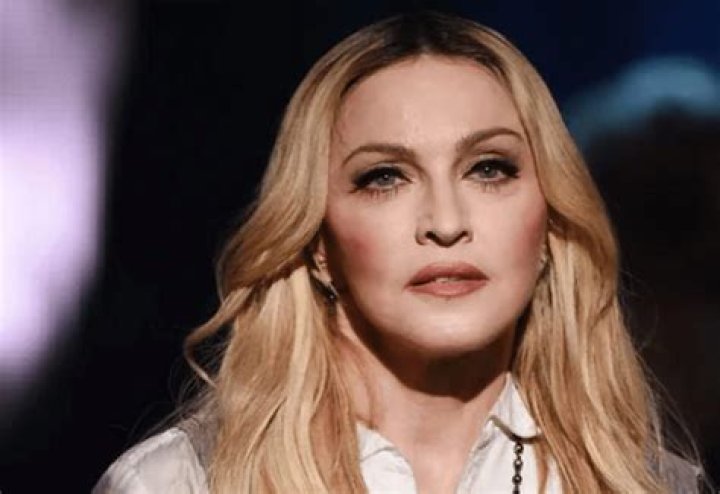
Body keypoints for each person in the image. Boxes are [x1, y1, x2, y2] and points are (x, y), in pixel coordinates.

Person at [94, 11, 702, 493]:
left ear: (548, 224)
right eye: (384, 177)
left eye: (489, 169)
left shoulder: (646, 484)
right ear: (317, 245)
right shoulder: (181, 483)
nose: (446, 224)